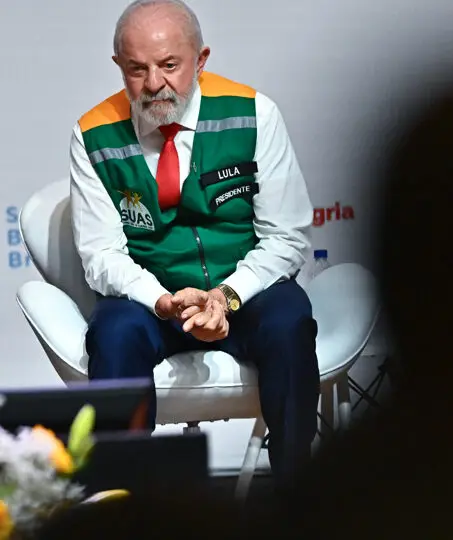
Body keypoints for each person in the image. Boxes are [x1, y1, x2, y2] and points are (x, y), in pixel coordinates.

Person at [68, 0, 319, 483]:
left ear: (200, 60)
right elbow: (101, 254)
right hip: (152, 300)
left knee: (289, 320)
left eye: (169, 65)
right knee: (113, 333)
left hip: (244, 290)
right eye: (137, 69)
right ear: (119, 66)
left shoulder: (253, 113)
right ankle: (120, 499)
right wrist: (162, 301)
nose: (154, 83)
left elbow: (286, 237)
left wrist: (225, 297)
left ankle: (298, 492)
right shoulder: (92, 133)